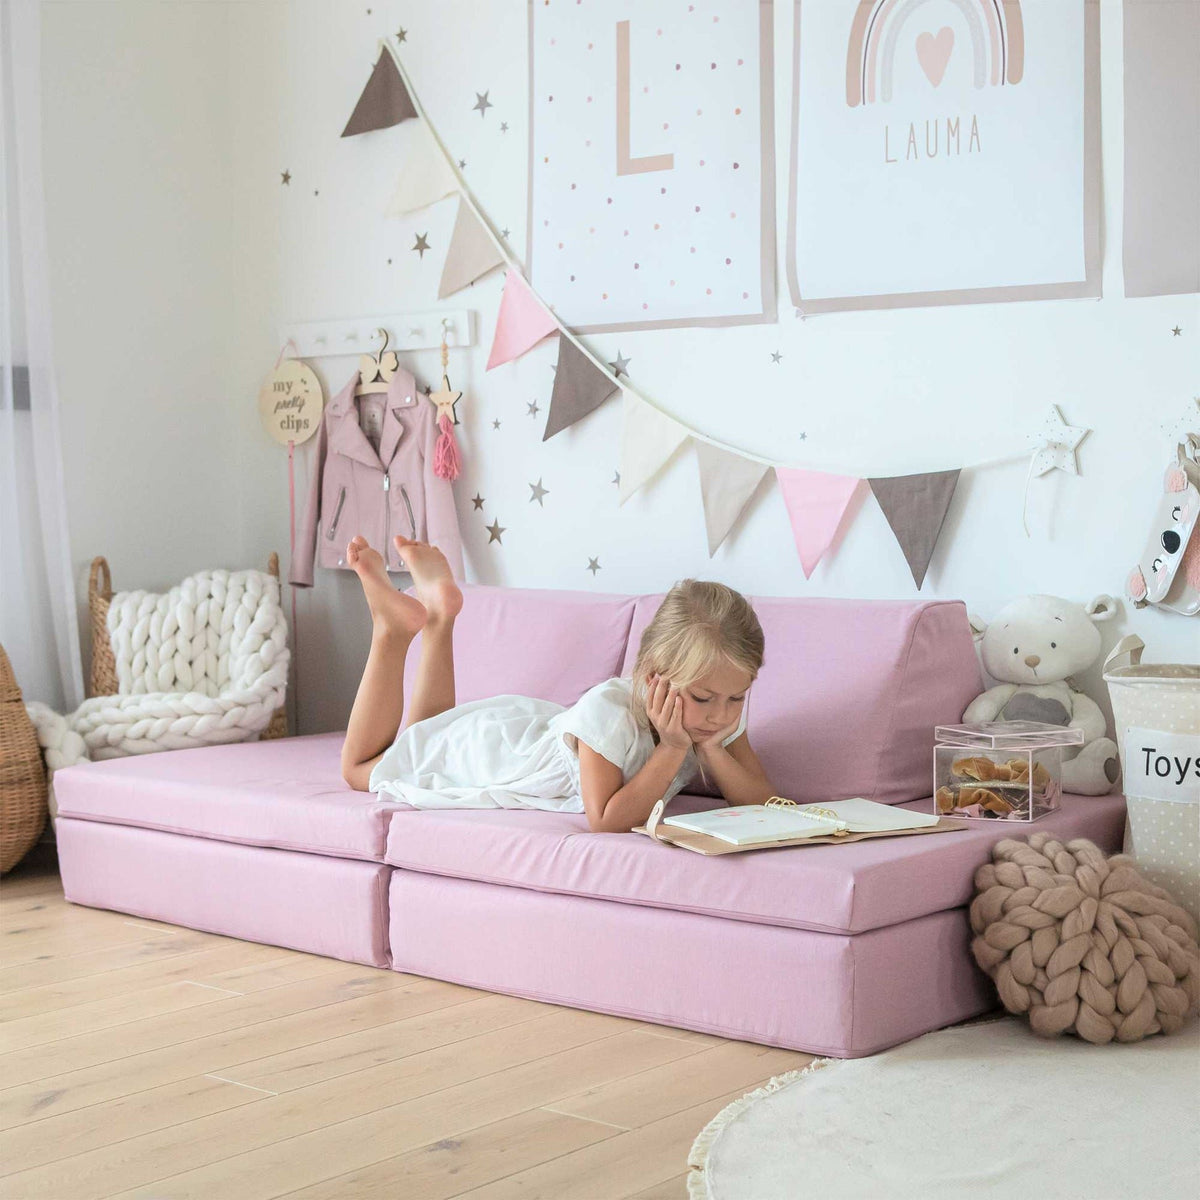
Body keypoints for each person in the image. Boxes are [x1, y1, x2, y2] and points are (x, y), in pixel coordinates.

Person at [340, 534, 775, 832]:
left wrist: (714, 749)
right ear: (652, 678)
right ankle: (390, 632)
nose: (721, 713)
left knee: (428, 735)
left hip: (526, 731)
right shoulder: (612, 715)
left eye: (737, 697)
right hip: (498, 753)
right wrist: (676, 748)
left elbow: (764, 803)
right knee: (360, 769)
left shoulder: (711, 716)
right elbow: (605, 819)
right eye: (704, 698)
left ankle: (439, 614)